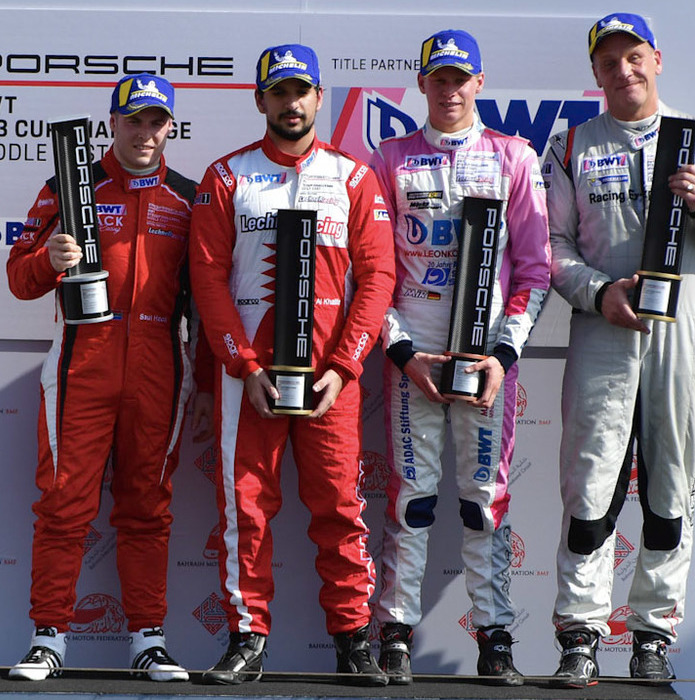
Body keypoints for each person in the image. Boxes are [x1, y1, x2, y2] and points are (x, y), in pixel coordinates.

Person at [541, 12, 695, 686]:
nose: (624, 71)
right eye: (609, 61)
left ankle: (652, 635)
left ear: (657, 59)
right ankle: (579, 635)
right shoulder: (572, 145)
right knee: (590, 489)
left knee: (670, 488)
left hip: (684, 335)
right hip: (604, 331)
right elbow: (551, 249)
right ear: (595, 72)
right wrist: (599, 292)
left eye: (634, 56)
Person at [188, 43, 396, 687]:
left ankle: (353, 641)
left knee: (340, 507)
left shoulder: (354, 177)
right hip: (249, 379)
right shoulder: (227, 177)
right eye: (278, 92)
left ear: (319, 98)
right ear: (260, 100)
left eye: (301, 91)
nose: (291, 103)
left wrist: (345, 367)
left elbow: (378, 278)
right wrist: (243, 365)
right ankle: (247, 639)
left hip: (330, 379)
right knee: (245, 509)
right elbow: (208, 280)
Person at [364, 29, 550, 687]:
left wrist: (503, 353)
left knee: (483, 501)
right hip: (412, 359)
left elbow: (535, 270)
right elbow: (374, 272)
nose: (449, 90)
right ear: (421, 84)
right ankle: (394, 635)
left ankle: (494, 637)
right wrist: (401, 351)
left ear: (479, 83)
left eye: (460, 78)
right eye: (438, 78)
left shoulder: (514, 156)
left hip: (485, 360)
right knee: (411, 500)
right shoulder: (389, 159)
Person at [4, 73, 197, 683]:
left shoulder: (191, 198)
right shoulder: (69, 183)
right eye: (133, 120)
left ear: (170, 128)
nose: (145, 133)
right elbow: (19, 279)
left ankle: (149, 641)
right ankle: (48, 639)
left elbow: (211, 294)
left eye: (156, 122)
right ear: (111, 123)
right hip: (80, 364)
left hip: (159, 367)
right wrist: (47, 260)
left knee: (148, 508)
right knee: (64, 504)